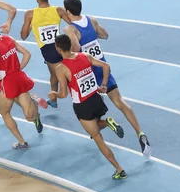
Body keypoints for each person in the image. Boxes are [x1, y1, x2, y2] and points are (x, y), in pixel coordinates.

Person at [63, 0, 151, 157]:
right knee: (120, 101)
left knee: (88, 105)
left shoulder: (70, 29)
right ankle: (140, 133)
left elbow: (75, 49)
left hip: (87, 72)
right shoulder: (91, 19)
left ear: (68, 12)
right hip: (102, 67)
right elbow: (105, 35)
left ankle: (97, 128)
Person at [49, 34, 127, 180]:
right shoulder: (85, 55)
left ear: (58, 49)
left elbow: (64, 94)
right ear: (71, 45)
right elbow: (106, 66)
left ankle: (119, 169)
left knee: (97, 137)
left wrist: (54, 94)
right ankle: (107, 122)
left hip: (82, 105)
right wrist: (104, 84)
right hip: (96, 99)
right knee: (96, 127)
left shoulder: (61, 68)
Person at [0, 18, 48, 149]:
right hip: (19, 78)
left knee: (5, 113)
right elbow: (27, 54)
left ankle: (22, 142)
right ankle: (34, 108)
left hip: (8, 83)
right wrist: (18, 69)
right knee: (29, 116)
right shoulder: (9, 39)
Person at [20, 0, 71, 108]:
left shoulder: (30, 14)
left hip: (48, 50)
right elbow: (73, 23)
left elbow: (23, 36)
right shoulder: (58, 10)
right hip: (62, 45)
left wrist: (32, 25)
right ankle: (53, 100)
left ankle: (86, 93)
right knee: (55, 75)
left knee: (63, 76)